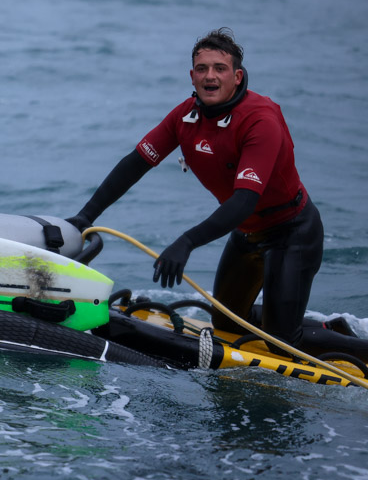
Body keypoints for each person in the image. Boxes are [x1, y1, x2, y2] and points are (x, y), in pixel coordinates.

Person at [66, 28, 325, 353]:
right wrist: (85, 216)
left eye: (220, 68)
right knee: (227, 325)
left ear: (237, 76)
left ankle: (330, 336)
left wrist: (187, 242)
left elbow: (245, 200)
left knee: (284, 345)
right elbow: (136, 164)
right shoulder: (185, 117)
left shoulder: (260, 120)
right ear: (192, 76)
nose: (210, 76)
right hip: (246, 235)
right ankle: (290, 316)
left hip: (292, 233)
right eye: (202, 69)